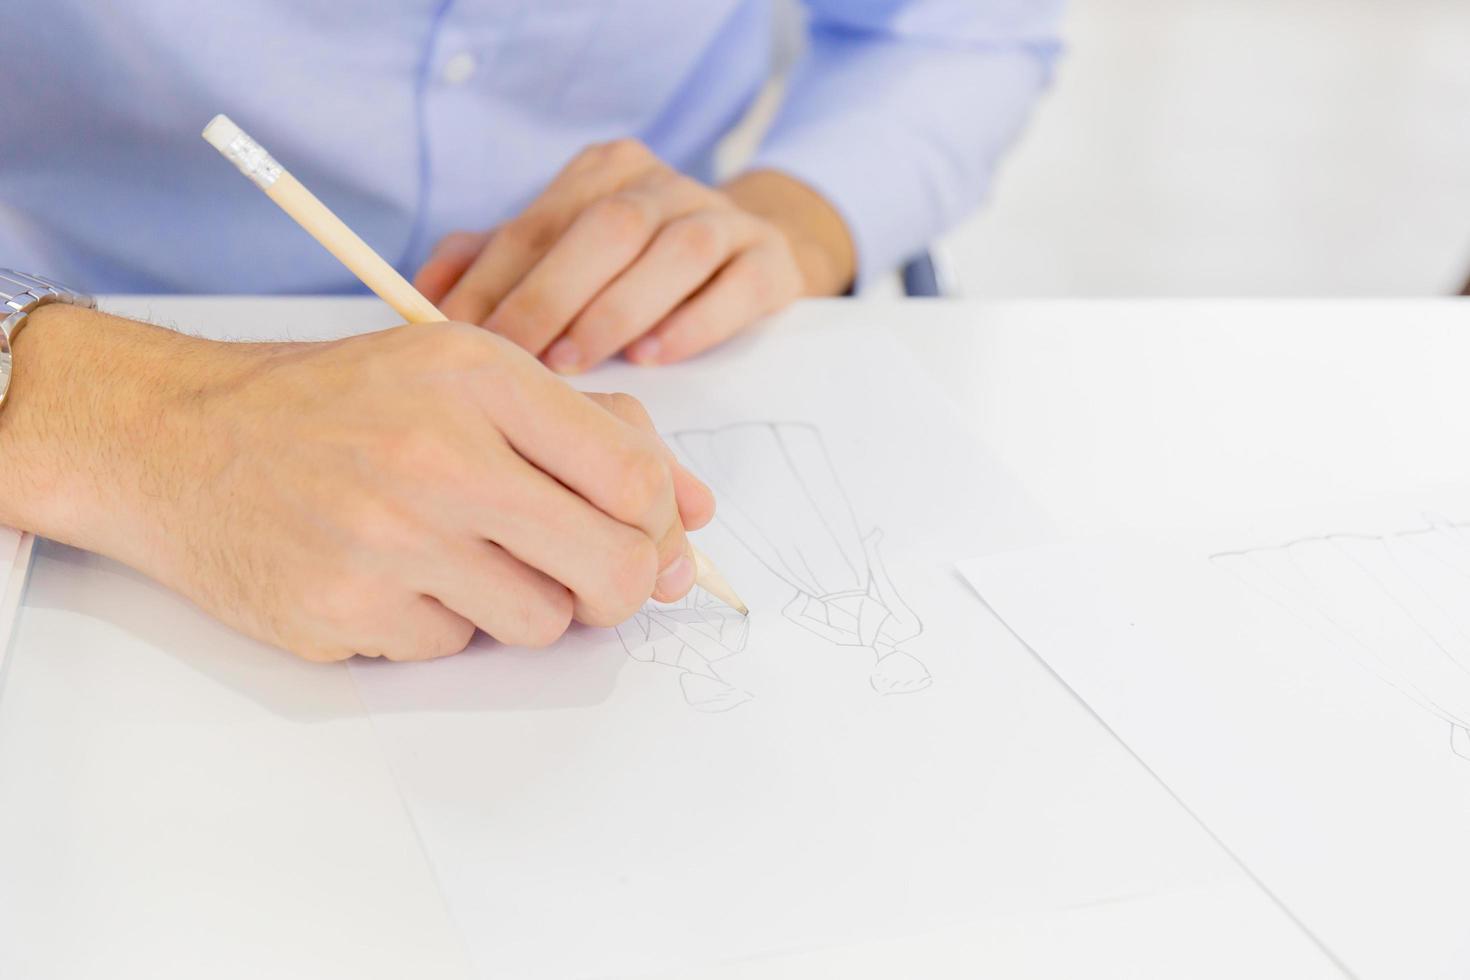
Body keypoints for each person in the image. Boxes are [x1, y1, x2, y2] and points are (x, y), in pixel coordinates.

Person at [0, 1, 1061, 662]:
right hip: (76, 313)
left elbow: (957, 29)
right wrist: (143, 426)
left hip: (633, 324)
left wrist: (793, 214)